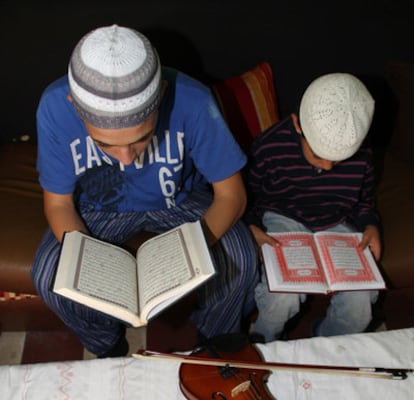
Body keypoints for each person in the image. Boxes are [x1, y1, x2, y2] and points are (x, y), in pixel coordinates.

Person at [31, 24, 258, 357]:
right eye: (105, 143)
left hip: (179, 198)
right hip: (99, 207)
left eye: (140, 137)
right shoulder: (54, 107)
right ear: (72, 104)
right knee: (49, 274)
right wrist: (91, 263)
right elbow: (59, 204)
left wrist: (192, 249)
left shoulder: (194, 100)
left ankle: (215, 341)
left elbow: (232, 196)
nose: (126, 158)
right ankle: (106, 345)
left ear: (162, 94)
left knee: (241, 257)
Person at [245, 72, 381, 342]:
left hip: (336, 222)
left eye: (340, 159)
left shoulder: (364, 154)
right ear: (297, 124)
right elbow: (248, 196)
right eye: (318, 155)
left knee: (361, 301)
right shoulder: (268, 146)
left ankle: (329, 341)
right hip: (283, 217)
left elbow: (364, 200)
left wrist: (371, 224)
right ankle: (264, 340)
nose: (328, 167)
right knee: (281, 298)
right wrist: (251, 227)